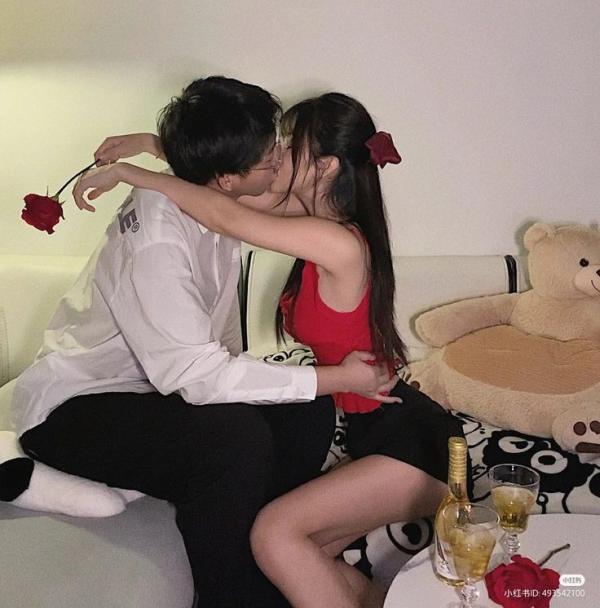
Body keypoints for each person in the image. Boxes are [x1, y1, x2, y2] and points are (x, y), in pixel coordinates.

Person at [73, 90, 470, 608]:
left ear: (324, 166)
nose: (276, 154)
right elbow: (225, 185)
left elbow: (226, 216)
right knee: (287, 565)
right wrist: (154, 144)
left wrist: (133, 174)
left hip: (408, 440)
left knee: (273, 535)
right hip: (366, 430)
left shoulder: (339, 242)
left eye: (288, 144)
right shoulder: (305, 215)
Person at [11, 77, 397, 608]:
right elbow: (198, 376)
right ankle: (229, 594)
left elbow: (225, 199)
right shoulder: (158, 240)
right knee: (236, 438)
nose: (279, 160)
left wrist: (150, 149)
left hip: (153, 392)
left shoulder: (217, 194)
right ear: (229, 177)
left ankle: (262, 551)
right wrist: (337, 378)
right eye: (270, 155)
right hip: (77, 406)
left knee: (304, 413)